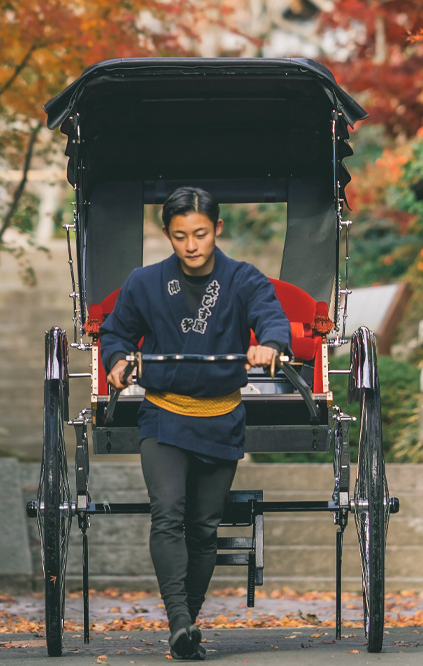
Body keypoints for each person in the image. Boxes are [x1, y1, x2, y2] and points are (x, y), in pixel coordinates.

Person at [99, 186, 291, 660]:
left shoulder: (243, 279)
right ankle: (179, 621)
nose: (191, 245)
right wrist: (118, 360)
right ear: (167, 233)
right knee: (167, 513)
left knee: (204, 527)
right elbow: (116, 333)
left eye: (201, 234)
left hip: (220, 416)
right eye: (181, 235)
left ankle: (189, 622)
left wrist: (269, 344)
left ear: (217, 229)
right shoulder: (144, 282)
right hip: (162, 414)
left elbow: (271, 318)